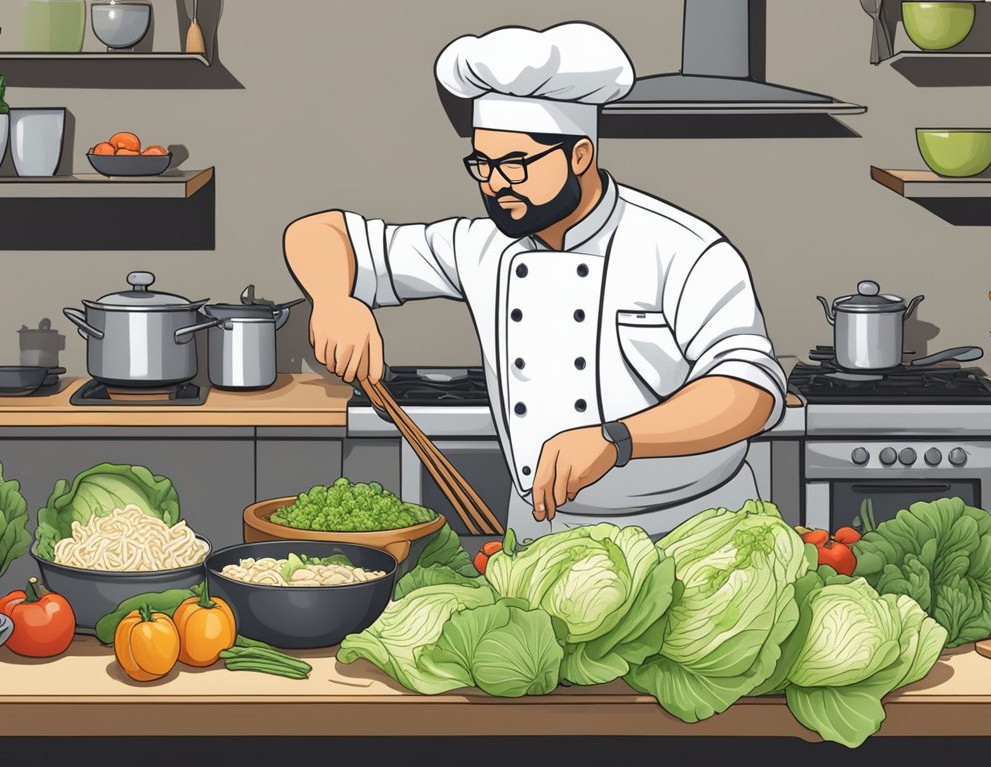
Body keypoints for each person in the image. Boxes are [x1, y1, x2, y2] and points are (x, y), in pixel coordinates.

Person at [284, 22, 787, 541]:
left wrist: (617, 438)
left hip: (694, 533)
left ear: (580, 156)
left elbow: (749, 392)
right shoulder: (482, 246)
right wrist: (334, 300)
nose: (496, 184)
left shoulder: (683, 248)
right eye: (482, 164)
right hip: (543, 535)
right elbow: (318, 232)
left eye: (516, 164)